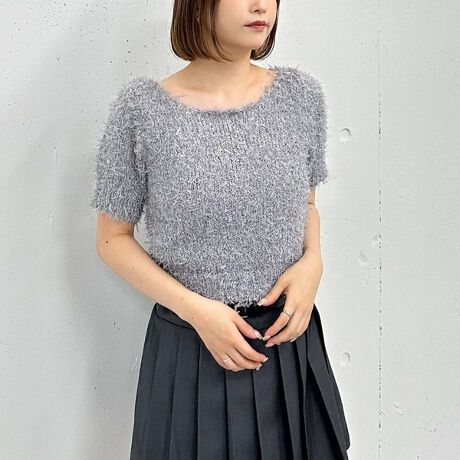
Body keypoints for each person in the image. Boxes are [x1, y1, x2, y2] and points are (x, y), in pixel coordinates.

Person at [89, 0, 351, 459]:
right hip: (191, 352)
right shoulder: (141, 111)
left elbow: (306, 204)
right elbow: (112, 238)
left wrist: (313, 261)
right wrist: (197, 311)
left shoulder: (300, 97)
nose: (261, 6)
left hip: (289, 347)